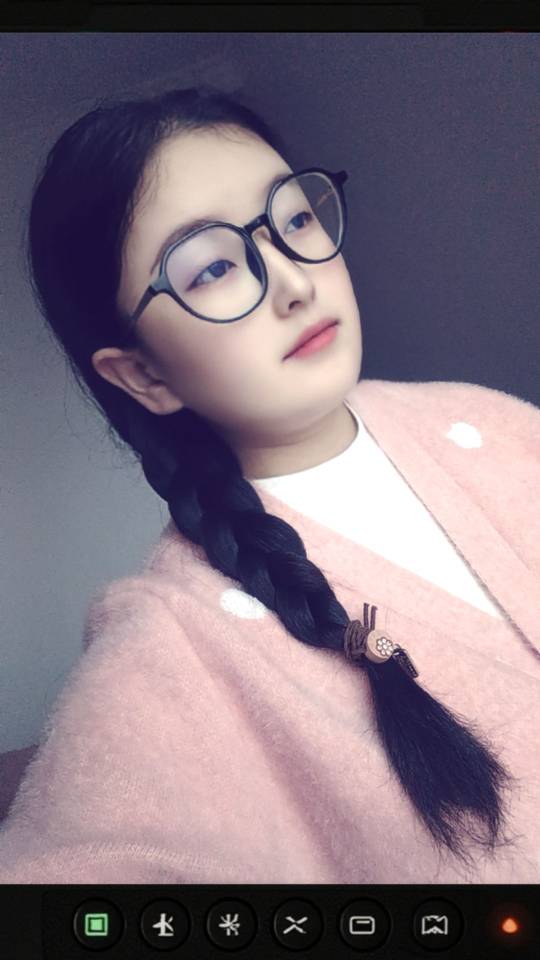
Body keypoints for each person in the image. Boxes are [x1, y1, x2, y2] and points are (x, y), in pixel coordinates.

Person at [0, 84, 539, 885]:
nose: (294, 280)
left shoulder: (491, 419)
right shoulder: (169, 643)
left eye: (294, 219)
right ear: (144, 375)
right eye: (213, 267)